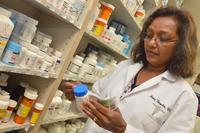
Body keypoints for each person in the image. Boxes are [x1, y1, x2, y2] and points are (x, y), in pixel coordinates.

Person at [63, 7, 199, 133]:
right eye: (149, 35)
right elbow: (94, 100)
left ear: (182, 46)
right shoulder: (125, 66)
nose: (151, 43)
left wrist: (124, 129)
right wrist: (80, 97)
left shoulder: (184, 96)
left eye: (163, 38)